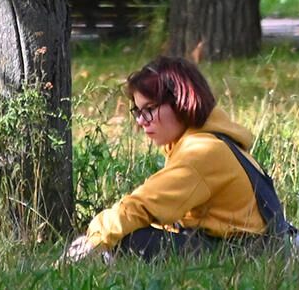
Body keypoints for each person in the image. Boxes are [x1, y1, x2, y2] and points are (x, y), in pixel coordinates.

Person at [61, 56, 268, 261]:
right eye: (138, 112)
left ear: (181, 103)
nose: (141, 121)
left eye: (149, 109)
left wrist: (94, 239)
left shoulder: (202, 152)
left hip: (238, 254)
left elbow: (144, 205)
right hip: (242, 245)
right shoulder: (214, 140)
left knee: (130, 240)